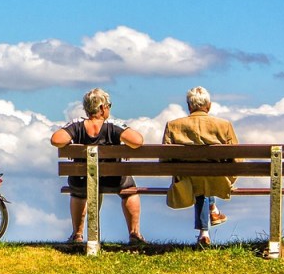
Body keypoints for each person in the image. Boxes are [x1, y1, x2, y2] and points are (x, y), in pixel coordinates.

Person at [50, 88, 147, 245]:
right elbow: (137, 141)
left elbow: (56, 140)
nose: (109, 108)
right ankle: (134, 233)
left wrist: (70, 145)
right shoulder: (112, 126)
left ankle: (77, 234)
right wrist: (124, 147)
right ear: (102, 108)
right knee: (130, 192)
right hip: (113, 180)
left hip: (82, 180)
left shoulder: (77, 125)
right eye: (108, 105)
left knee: (78, 192)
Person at [162, 86, 239, 247]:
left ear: (189, 106)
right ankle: (211, 215)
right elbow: (237, 159)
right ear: (209, 106)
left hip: (186, 180)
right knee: (205, 177)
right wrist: (229, 179)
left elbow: (164, 159)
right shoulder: (224, 125)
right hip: (217, 179)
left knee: (197, 178)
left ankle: (205, 230)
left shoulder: (173, 125)